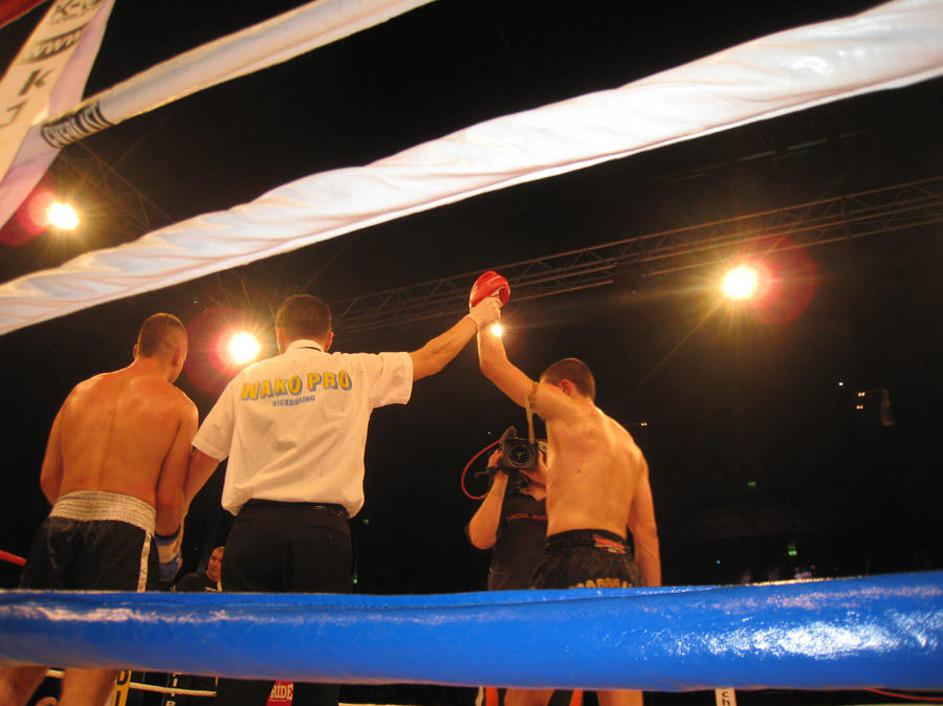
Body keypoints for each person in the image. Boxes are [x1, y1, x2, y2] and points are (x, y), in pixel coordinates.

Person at [182, 291, 502, 706]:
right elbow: (432, 357)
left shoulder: (248, 378)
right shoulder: (354, 369)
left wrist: (175, 517)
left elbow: (202, 456)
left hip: (253, 532)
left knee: (243, 672)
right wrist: (478, 316)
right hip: (322, 535)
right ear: (329, 337)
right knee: (318, 673)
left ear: (279, 334)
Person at [0, 313, 198, 706]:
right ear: (178, 356)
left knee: (14, 674)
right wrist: (168, 551)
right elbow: (168, 499)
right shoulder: (180, 406)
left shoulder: (82, 390)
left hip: (59, 524)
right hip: (122, 535)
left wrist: (81, 510)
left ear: (136, 348)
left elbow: (48, 478)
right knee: (89, 680)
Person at [477, 331, 661, 706]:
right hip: (620, 567)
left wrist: (484, 316)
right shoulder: (630, 449)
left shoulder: (568, 409)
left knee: (526, 695)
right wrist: (650, 605)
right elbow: (647, 535)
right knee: (620, 689)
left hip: (571, 560)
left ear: (563, 388)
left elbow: (493, 364)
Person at [467, 446, 548, 591]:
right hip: (509, 594)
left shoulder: (565, 503)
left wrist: (549, 481)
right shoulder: (504, 501)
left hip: (559, 596)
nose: (539, 460)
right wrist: (501, 477)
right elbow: (480, 541)